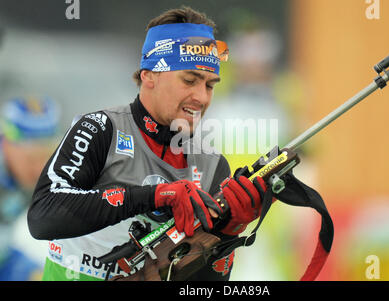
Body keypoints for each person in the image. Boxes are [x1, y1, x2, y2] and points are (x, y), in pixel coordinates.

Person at [27, 6, 268, 281]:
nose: (201, 97)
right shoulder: (100, 129)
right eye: (189, 80)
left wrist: (229, 231)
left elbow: (203, 283)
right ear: (149, 75)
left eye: (210, 85)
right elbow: (43, 217)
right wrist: (154, 196)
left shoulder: (211, 165)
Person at [0, 96, 60, 280]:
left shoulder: (18, 178)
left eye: (47, 157)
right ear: (7, 143)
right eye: (31, 158)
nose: (39, 168)